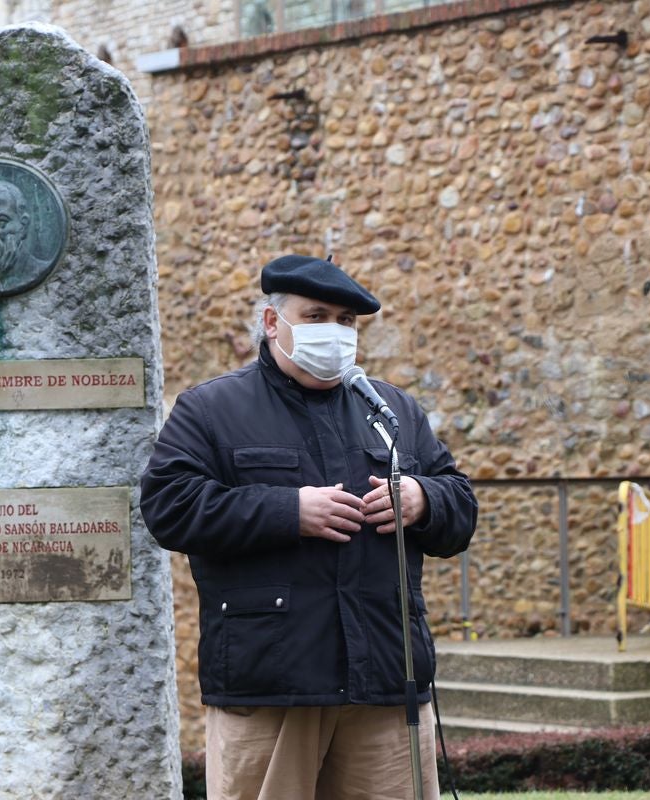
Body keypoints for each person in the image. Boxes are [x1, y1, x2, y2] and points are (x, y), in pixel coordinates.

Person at [140, 254, 478, 800]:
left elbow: (461, 505)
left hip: (387, 683)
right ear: (274, 323)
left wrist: (424, 499)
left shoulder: (392, 411)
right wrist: (286, 511)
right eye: (316, 315)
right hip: (273, 684)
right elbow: (168, 506)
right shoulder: (211, 409)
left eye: (346, 321)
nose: (335, 333)